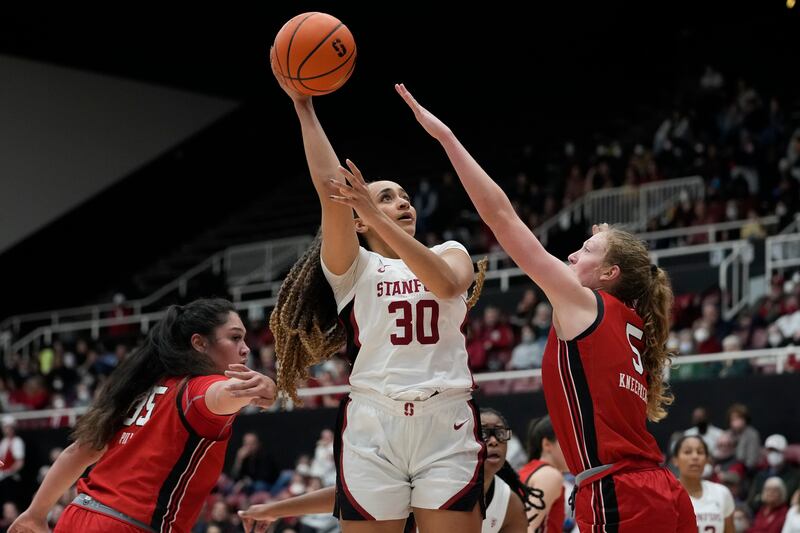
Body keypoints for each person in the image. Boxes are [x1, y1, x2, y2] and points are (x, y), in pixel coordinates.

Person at [395, 83, 695, 532]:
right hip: (660, 490)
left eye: (586, 250)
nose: (572, 256)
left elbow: (502, 218)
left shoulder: (584, 303)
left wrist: (446, 139)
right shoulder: (632, 322)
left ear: (609, 274)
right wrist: (604, 242)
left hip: (620, 494)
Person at [267, 50, 488, 533]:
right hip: (373, 422)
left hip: (446, 419)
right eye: (385, 196)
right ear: (360, 217)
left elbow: (447, 285)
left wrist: (380, 216)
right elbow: (330, 190)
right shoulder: (353, 267)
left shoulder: (451, 251)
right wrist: (304, 107)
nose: (401, 202)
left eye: (405, 197)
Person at [9, 298, 277, 533]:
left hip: (77, 515)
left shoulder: (142, 389)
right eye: (234, 337)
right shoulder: (196, 389)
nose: (246, 348)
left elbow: (78, 452)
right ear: (199, 343)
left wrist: (35, 514)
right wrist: (258, 387)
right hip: (129, 526)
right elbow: (220, 394)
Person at [238, 408, 530, 533]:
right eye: (483, 432)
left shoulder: (510, 504)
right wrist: (274, 509)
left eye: (500, 434)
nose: (492, 441)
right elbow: (349, 496)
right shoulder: (429, 474)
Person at [672, 434, 735, 532]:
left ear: (707, 460)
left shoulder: (722, 493)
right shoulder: (666, 495)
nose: (695, 456)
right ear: (675, 460)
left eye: (700, 452)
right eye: (688, 452)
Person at [517, 416, 567, 533]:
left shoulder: (528, 470)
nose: (573, 448)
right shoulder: (549, 475)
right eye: (567, 441)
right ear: (547, 444)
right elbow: (525, 528)